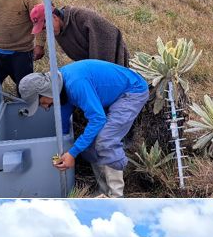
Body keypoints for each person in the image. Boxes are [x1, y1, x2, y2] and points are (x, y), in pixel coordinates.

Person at [18, 60, 149, 196]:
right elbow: (62, 122)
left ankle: (116, 196)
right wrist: (60, 149)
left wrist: (73, 153)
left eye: (40, 102)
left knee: (105, 140)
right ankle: (103, 191)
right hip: (115, 92)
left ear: (45, 92)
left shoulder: (75, 84)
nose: (44, 107)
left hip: (132, 91)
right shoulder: (58, 85)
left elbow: (98, 119)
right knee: (89, 144)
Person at [29, 3, 130, 66]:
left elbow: (107, 44)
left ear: (54, 17)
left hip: (112, 60)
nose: (48, 31)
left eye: (46, 26)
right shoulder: (59, 30)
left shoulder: (83, 17)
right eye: (44, 29)